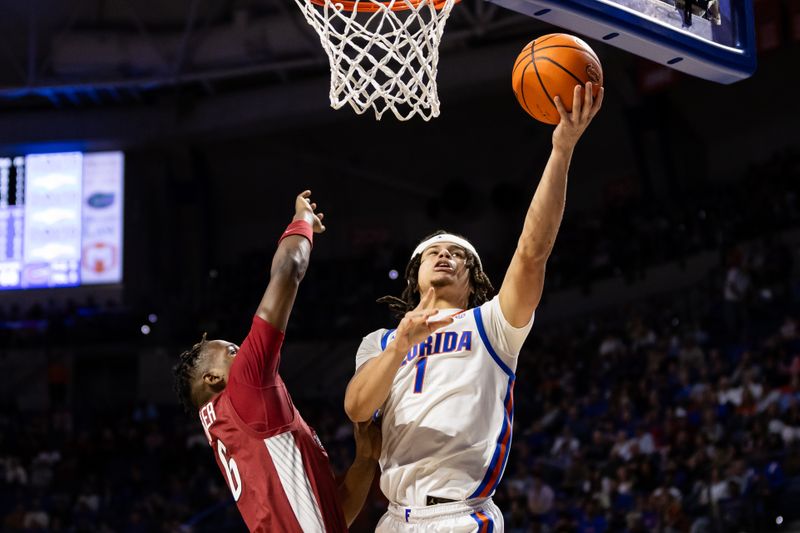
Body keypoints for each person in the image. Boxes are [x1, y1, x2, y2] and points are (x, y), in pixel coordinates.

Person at [344, 83, 604, 531]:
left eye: (458, 255)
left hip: (459, 517)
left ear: (474, 278)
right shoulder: (380, 341)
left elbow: (532, 252)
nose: (445, 256)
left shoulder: (494, 325)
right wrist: (400, 345)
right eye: (434, 252)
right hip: (394, 519)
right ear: (415, 272)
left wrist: (561, 149)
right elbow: (356, 408)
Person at [173, 191, 379, 532]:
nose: (245, 354)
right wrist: (302, 220)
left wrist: (366, 460)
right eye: (233, 352)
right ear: (212, 378)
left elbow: (333, 516)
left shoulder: (234, 431)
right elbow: (289, 270)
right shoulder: (243, 391)